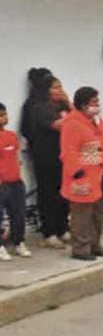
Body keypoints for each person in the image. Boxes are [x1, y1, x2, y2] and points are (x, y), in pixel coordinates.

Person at [60, 87, 103, 261]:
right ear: (83, 104)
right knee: (81, 215)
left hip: (102, 174)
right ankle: (80, 248)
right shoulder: (72, 123)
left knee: (99, 213)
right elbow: (68, 151)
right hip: (83, 176)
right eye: (94, 102)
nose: (97, 105)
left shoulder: (98, 122)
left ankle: (95, 244)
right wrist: (76, 171)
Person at [22, 70, 71, 248]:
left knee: (63, 192)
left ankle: (62, 228)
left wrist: (69, 104)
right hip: (46, 155)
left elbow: (79, 121)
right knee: (48, 193)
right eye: (56, 87)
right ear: (46, 90)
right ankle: (49, 232)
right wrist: (73, 116)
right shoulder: (39, 107)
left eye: (61, 87)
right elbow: (60, 126)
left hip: (63, 154)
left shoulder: (63, 107)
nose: (60, 90)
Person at [0, 102, 31, 260]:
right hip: (1, 184)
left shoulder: (11, 136)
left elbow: (16, 157)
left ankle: (19, 242)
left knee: (19, 215)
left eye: (5, 114)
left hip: (15, 181)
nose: (4, 118)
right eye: (0, 115)